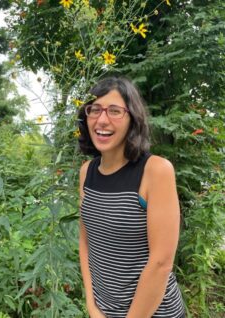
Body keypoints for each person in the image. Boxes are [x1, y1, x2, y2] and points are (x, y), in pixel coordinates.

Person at [78, 76, 185, 318]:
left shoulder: (155, 170)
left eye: (115, 111)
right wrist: (91, 304)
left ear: (132, 119)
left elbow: (161, 264)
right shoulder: (86, 172)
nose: (102, 119)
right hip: (103, 311)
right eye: (95, 110)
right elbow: (86, 241)